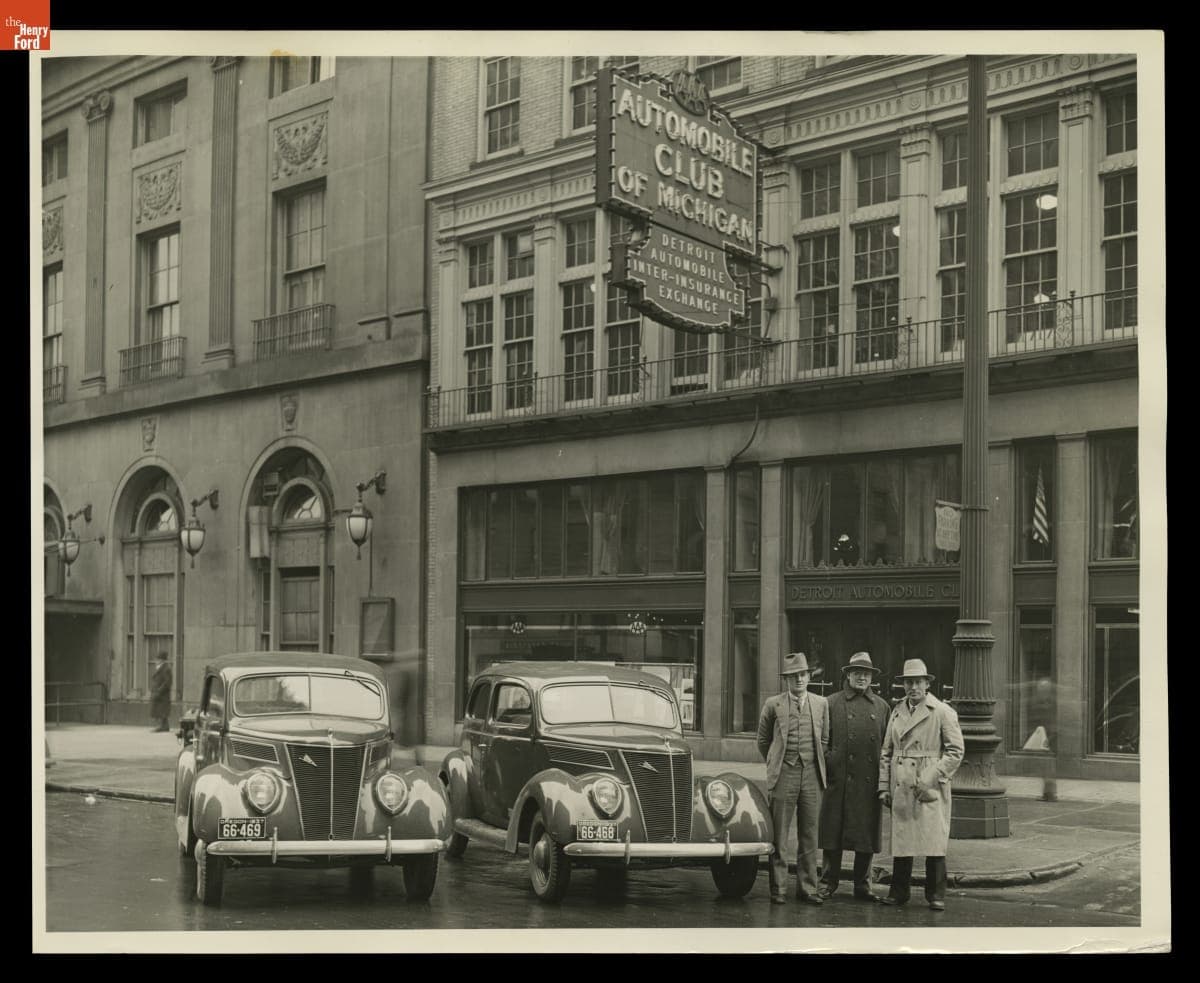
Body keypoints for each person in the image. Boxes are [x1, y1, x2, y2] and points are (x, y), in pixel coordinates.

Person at [877, 659, 964, 911]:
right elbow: (886, 751)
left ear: (927, 684)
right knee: (902, 841)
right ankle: (899, 892)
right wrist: (884, 785)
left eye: (918, 682)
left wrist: (932, 774)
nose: (913, 686)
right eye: (908, 682)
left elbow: (956, 751)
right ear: (903, 684)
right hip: (902, 782)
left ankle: (936, 894)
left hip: (929, 783)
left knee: (933, 840)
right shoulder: (897, 711)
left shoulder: (942, 711)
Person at [756, 652, 830, 905]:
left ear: (809, 676)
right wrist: (777, 761)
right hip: (783, 773)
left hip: (812, 774)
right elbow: (763, 740)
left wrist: (810, 760)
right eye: (792, 676)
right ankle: (779, 889)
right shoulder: (773, 704)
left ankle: (808, 888)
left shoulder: (821, 704)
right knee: (779, 835)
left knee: (809, 834)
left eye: (802, 674)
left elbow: (825, 740)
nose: (798, 679)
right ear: (786, 680)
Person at [817, 651, 891, 902]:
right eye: (857, 673)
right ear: (847, 675)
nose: (862, 678)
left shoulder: (881, 707)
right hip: (838, 779)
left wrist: (883, 781)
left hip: (867, 782)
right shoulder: (831, 703)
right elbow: (821, 741)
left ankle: (863, 884)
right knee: (833, 833)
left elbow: (886, 748)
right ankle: (828, 882)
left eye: (866, 674)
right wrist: (831, 762)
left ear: (872, 677)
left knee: (866, 835)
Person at [150, 651, 172, 732]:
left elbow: (167, 682)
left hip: (163, 694)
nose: (156, 660)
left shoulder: (166, 669)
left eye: (158, 659)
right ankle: (164, 726)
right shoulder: (161, 667)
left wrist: (159, 691)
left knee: (161, 709)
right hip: (159, 693)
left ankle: (162, 726)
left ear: (162, 660)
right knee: (160, 709)